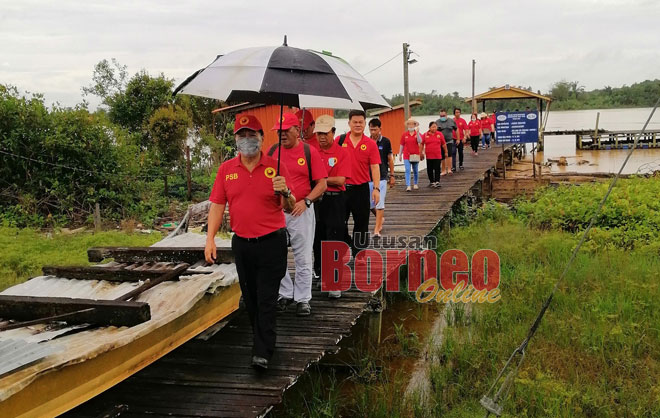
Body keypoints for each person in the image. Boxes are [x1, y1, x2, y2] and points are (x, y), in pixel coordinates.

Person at [205, 114, 296, 370]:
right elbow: (217, 205)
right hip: (242, 244)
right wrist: (210, 239)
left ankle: (262, 351)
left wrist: (285, 191)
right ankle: (262, 340)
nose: (247, 140)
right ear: (235, 139)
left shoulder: (275, 167)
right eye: (242, 135)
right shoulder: (226, 170)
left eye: (252, 134)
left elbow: (290, 208)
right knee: (251, 298)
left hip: (271, 243)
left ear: (262, 137)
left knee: (267, 297)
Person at [270, 113, 327, 317]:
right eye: (279, 131)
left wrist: (307, 201)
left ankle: (303, 298)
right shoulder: (273, 152)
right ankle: (284, 293)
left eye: (285, 131)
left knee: (302, 256)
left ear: (296, 130)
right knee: (277, 254)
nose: (282, 135)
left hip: (301, 209)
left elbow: (322, 183)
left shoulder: (308, 151)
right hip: (277, 211)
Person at [312, 115, 351, 299]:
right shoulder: (312, 152)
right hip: (316, 201)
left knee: (333, 239)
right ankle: (320, 273)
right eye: (318, 133)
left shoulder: (342, 152)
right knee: (317, 237)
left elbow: (341, 180)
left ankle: (334, 281)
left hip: (335, 199)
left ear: (333, 133)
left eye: (325, 133)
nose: (321, 137)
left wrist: (321, 181)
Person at [340, 109, 381, 255]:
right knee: (339, 223)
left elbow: (375, 167)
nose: (357, 125)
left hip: (361, 189)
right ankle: (348, 242)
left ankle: (359, 253)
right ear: (349, 123)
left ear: (365, 124)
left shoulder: (370, 144)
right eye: (354, 122)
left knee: (361, 223)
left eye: (360, 122)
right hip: (342, 189)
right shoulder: (340, 140)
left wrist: (376, 189)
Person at [368, 118, 395, 237]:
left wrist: (392, 175)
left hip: (382, 176)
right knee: (369, 204)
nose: (373, 132)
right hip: (367, 176)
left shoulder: (385, 141)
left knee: (379, 203)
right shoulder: (366, 142)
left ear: (380, 129)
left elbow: (390, 159)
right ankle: (380, 219)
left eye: (375, 129)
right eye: (371, 129)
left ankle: (377, 229)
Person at [421, 121, 448, 188]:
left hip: (437, 154)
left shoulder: (439, 134)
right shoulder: (425, 135)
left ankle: (437, 181)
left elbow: (444, 144)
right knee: (429, 169)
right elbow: (421, 144)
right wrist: (421, 152)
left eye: (435, 127)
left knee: (437, 168)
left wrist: (446, 152)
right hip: (429, 155)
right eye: (433, 127)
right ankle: (431, 181)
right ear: (429, 128)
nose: (434, 128)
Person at [398, 118, 422, 191]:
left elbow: (419, 141)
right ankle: (408, 185)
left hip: (415, 154)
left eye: (412, 124)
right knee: (407, 170)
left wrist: (417, 133)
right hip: (406, 155)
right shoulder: (404, 134)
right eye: (409, 124)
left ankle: (415, 183)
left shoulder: (417, 133)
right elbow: (402, 144)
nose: (411, 125)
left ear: (414, 125)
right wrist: (400, 154)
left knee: (415, 170)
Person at [436, 109, 456, 176]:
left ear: (446, 115)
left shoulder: (451, 121)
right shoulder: (437, 122)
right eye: (441, 116)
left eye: (443, 115)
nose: (442, 117)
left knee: (449, 154)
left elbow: (456, 129)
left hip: (449, 140)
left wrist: (458, 139)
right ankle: (443, 170)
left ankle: (449, 169)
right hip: (441, 142)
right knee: (442, 156)